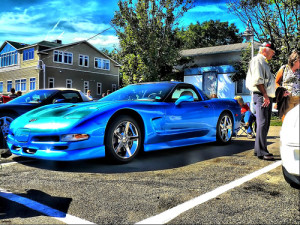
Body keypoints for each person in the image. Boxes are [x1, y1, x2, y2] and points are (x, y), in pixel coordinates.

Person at [246, 42, 276, 160]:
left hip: (264, 95)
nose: (273, 55)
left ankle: (258, 149)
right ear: (265, 50)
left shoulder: (263, 61)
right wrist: (265, 95)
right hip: (261, 95)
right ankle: (262, 152)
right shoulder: (258, 60)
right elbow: (258, 80)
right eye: (272, 52)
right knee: (262, 123)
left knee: (264, 123)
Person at [275, 49, 300, 121]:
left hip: (298, 99)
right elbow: (276, 82)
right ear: (295, 60)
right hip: (287, 98)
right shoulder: (284, 68)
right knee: (287, 120)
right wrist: (281, 91)